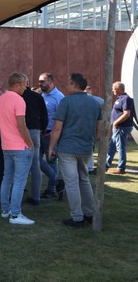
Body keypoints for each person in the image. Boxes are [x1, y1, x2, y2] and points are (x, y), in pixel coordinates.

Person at [48, 73, 101, 228]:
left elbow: (57, 128)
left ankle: (77, 218)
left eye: (69, 83)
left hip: (67, 148)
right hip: (86, 147)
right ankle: (90, 213)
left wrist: (51, 147)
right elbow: (99, 128)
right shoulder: (95, 103)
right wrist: (92, 140)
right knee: (84, 179)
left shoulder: (66, 101)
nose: (66, 85)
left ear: (75, 85)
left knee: (71, 182)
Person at [0, 73, 35, 225]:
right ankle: (15, 214)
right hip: (20, 146)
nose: (26, 88)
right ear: (17, 84)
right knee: (19, 181)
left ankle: (5, 210)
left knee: (7, 178)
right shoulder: (18, 100)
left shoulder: (1, 98)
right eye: (25, 84)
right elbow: (21, 125)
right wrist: (30, 143)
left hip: (6, 145)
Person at [37, 73, 65, 199]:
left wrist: (54, 134)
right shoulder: (42, 95)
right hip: (40, 133)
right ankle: (57, 182)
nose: (40, 84)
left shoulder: (59, 97)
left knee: (51, 161)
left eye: (42, 81)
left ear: (51, 82)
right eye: (39, 81)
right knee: (35, 160)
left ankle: (51, 189)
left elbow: (62, 118)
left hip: (50, 135)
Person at [22, 84, 48, 206]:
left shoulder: (17, 96)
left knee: (18, 163)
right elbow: (44, 115)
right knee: (35, 164)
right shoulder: (37, 96)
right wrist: (42, 129)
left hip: (21, 131)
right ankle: (36, 196)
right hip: (35, 131)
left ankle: (16, 193)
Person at [106, 81, 135, 175]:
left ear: (119, 89)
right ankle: (105, 166)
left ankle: (121, 168)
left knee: (120, 147)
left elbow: (127, 114)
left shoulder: (126, 99)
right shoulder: (120, 98)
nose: (112, 90)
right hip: (118, 127)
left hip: (122, 127)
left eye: (113, 88)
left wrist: (116, 122)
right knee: (112, 146)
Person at [85, 86, 104, 174]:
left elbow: (105, 104)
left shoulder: (96, 99)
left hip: (92, 126)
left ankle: (90, 168)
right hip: (87, 126)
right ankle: (89, 167)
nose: (87, 91)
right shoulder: (94, 100)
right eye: (86, 89)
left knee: (90, 148)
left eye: (88, 89)